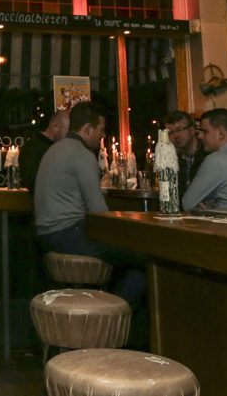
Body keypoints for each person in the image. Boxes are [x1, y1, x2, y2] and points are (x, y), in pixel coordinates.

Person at [33, 100, 148, 349]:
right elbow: (97, 211)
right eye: (101, 130)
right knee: (146, 260)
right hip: (68, 232)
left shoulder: (54, 149)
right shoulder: (82, 155)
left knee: (132, 265)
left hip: (47, 234)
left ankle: (101, 321)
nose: (101, 136)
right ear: (87, 129)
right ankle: (104, 327)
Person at [182, 108, 227, 213]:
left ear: (221, 133)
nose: (200, 136)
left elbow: (187, 204)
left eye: (205, 132)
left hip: (225, 222)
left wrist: (208, 205)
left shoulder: (215, 160)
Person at [19, 109, 69, 190]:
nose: (70, 136)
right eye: (68, 132)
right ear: (55, 127)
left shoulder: (61, 147)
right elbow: (32, 181)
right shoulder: (32, 147)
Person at [162, 110, 207, 198]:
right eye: (170, 132)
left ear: (192, 130)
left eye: (179, 129)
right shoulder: (173, 160)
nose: (175, 136)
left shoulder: (207, 155)